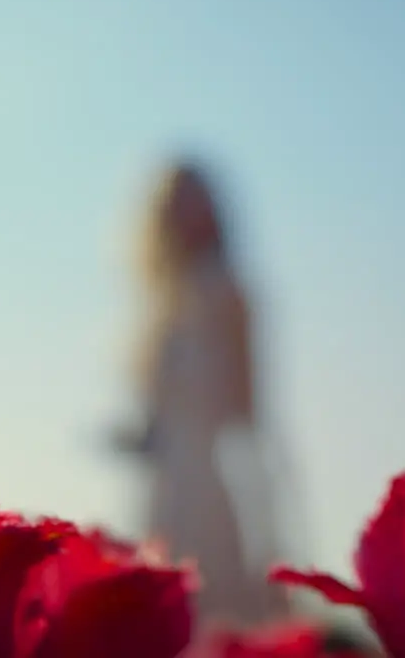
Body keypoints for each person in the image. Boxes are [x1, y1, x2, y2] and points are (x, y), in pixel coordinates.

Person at [113, 158, 288, 626]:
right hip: (161, 488)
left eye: (197, 200)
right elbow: (157, 414)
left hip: (209, 490)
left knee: (211, 611)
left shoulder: (228, 293)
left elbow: (250, 414)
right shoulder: (160, 303)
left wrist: (269, 526)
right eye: (178, 202)